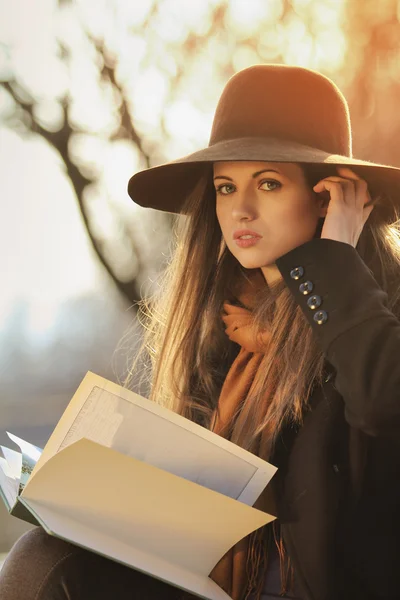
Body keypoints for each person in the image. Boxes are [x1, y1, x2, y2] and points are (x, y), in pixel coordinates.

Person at [1, 64, 400, 600]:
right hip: (218, 585)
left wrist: (333, 261)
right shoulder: (225, 329)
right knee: (44, 561)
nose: (241, 208)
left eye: (268, 183)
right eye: (225, 187)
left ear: (329, 198)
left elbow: (382, 400)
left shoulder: (376, 317)